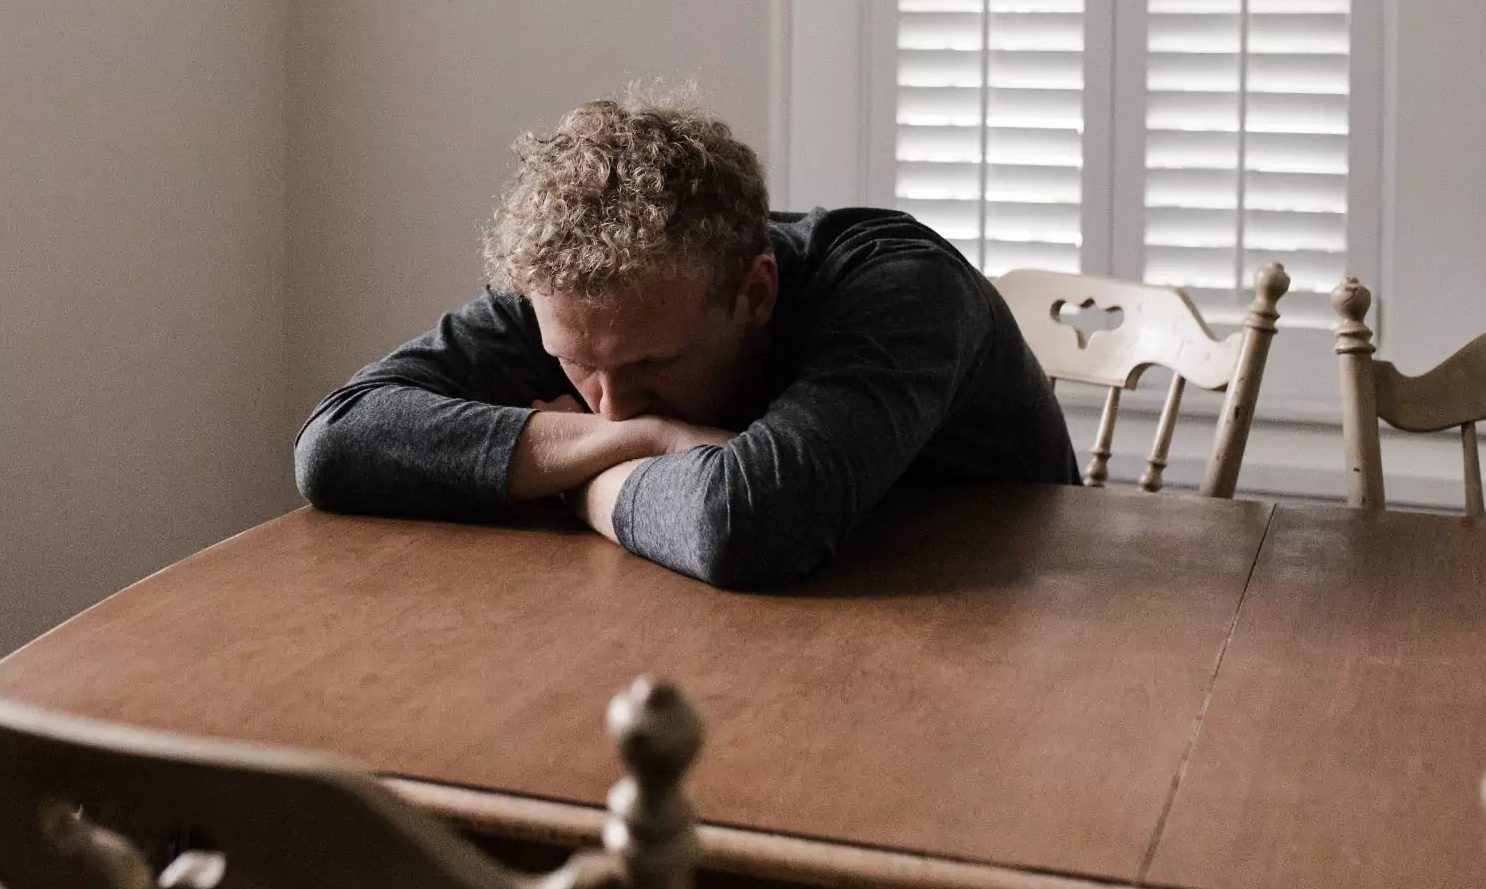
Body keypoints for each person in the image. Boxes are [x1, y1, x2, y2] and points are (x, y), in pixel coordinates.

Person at [293, 91, 1079, 589]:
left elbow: (750, 523)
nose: (611, 405)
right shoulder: (583, 295)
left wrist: (574, 479)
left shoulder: (901, 285)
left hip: (1026, 626)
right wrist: (652, 438)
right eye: (576, 365)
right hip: (742, 620)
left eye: (654, 367)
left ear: (756, 291)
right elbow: (336, 442)